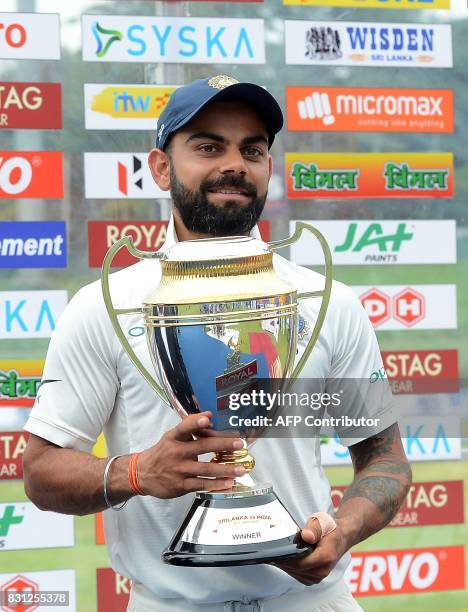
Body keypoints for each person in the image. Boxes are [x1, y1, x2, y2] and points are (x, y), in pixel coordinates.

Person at [23, 75, 411, 612]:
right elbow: (42, 472)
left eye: (252, 149)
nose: (234, 164)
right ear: (161, 166)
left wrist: (341, 531)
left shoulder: (328, 301)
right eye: (208, 146)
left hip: (310, 601)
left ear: (268, 169)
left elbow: (385, 459)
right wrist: (136, 472)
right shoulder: (104, 305)